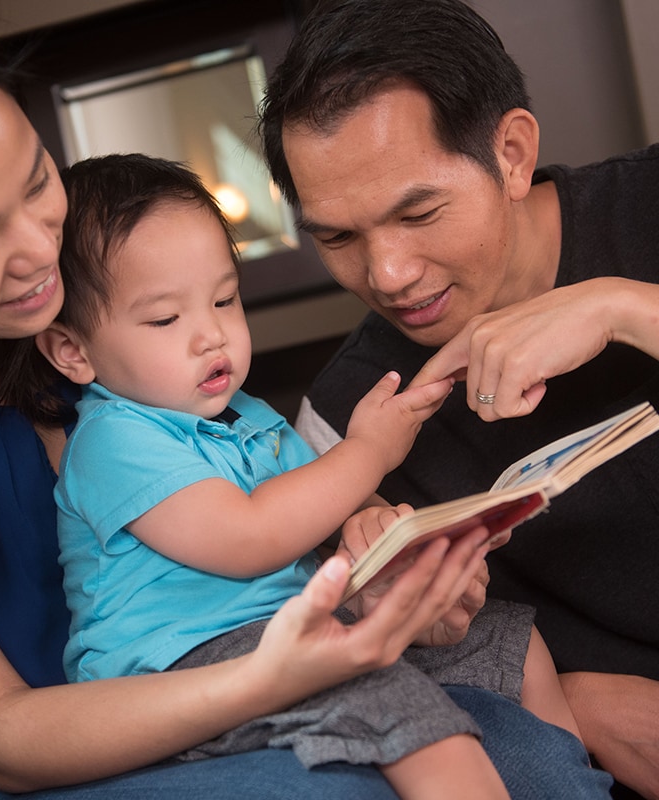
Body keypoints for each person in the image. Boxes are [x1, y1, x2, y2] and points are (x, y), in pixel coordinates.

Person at [0, 1, 603, 799]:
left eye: (38, 181)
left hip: (261, 652)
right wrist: (286, 669)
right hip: (63, 737)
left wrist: (377, 567)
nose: (42, 249)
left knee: (520, 745)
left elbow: (299, 523)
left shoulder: (158, 373)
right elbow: (2, 736)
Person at [37, 152, 601, 799]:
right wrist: (367, 449)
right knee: (394, 700)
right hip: (181, 667)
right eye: (166, 319)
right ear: (73, 351)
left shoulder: (247, 416)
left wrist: (397, 541)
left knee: (513, 644)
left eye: (224, 299)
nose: (211, 336)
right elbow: (248, 539)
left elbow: (333, 518)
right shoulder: (113, 438)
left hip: (290, 633)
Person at [257, 0, 659, 798]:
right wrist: (565, 701)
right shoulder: (345, 425)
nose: (388, 275)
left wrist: (621, 308)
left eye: (418, 212)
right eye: (337, 237)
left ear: (510, 153)